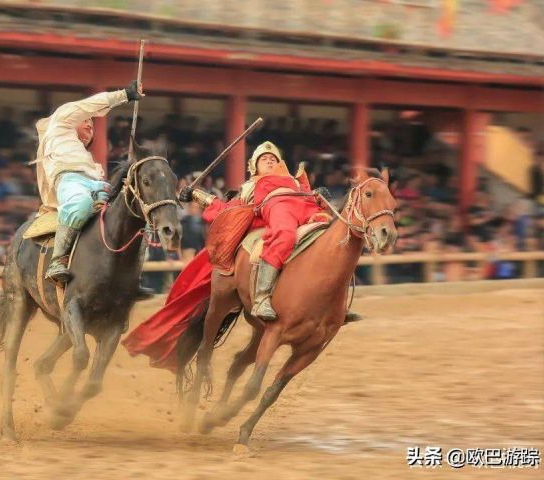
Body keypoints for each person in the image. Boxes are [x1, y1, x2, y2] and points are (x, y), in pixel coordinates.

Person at [181, 141, 329, 321]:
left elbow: (309, 197)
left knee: (329, 234)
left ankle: (331, 300)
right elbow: (228, 209)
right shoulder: (251, 185)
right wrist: (196, 195)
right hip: (277, 207)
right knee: (285, 235)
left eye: (273, 159)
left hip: (304, 205)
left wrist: (318, 195)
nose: (269, 161)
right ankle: (262, 297)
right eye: (264, 159)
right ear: (255, 166)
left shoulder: (294, 181)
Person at [33, 81, 147, 289]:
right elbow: (89, 105)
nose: (89, 124)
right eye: (85, 120)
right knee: (80, 204)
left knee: (131, 214)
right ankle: (57, 260)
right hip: (70, 182)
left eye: (92, 124)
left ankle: (130, 275)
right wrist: (124, 94)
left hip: (97, 185)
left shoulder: (91, 163)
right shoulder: (61, 121)